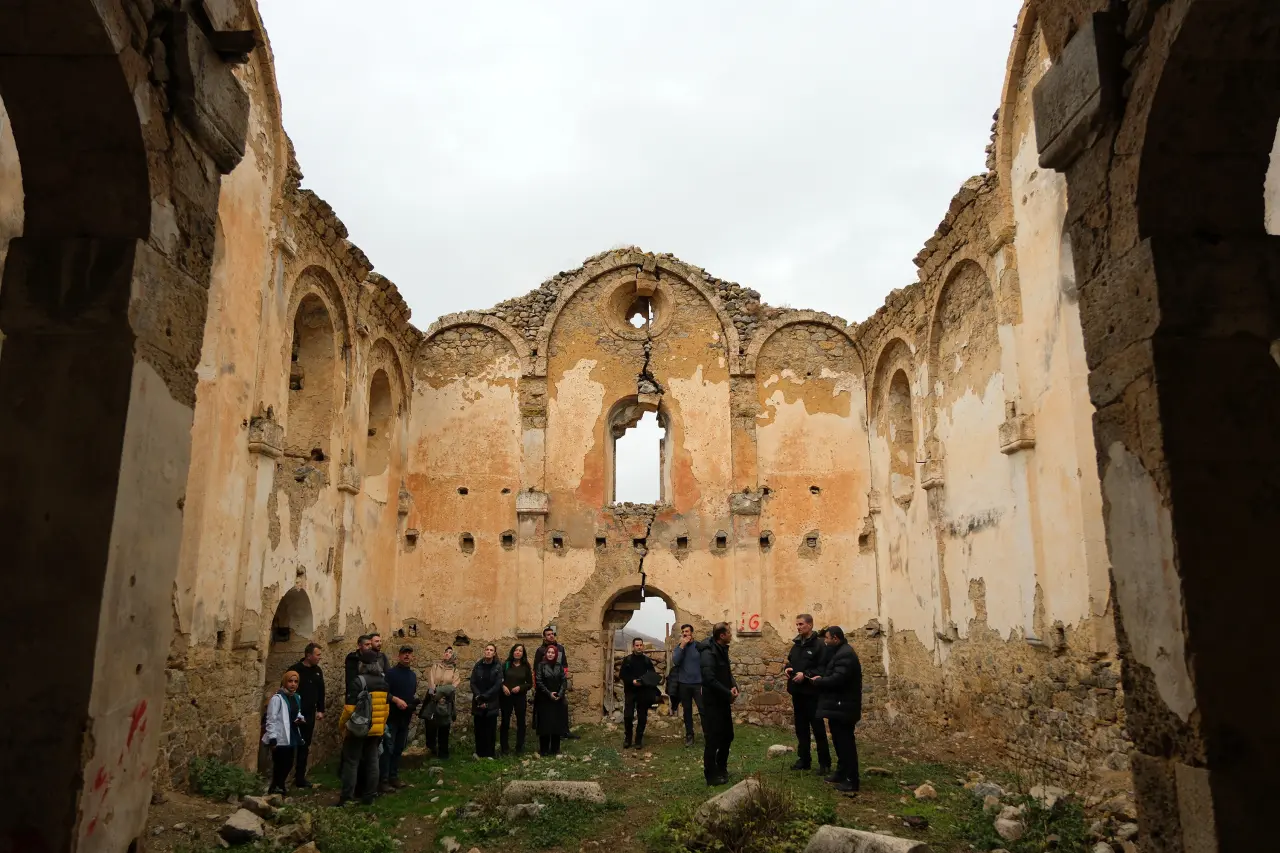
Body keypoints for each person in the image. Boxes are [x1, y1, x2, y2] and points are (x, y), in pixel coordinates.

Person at [809, 626, 863, 793]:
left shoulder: (845, 654)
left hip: (844, 707)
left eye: (827, 638)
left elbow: (838, 679)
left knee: (846, 743)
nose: (825, 641)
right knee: (839, 742)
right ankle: (841, 772)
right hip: (839, 707)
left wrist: (820, 681)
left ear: (836, 638)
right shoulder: (839, 652)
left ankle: (851, 779)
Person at [338, 645, 389, 806]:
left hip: (359, 728)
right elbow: (386, 710)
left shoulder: (358, 682)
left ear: (362, 665)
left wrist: (342, 726)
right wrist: (380, 727)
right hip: (376, 729)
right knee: (373, 762)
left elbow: (349, 709)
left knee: (351, 762)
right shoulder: (383, 683)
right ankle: (369, 796)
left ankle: (347, 798)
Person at [783, 613, 831, 774]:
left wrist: (806, 674)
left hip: (812, 693)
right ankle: (804, 760)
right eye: (797, 624)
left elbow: (823, 668)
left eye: (801, 624)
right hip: (797, 693)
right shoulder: (796, 645)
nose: (798, 627)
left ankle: (825, 763)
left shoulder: (819, 646)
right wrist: (787, 669)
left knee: (817, 728)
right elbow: (790, 661)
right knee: (801, 728)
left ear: (810, 625)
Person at [698, 622, 738, 786]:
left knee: (728, 735)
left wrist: (734, 686)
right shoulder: (708, 653)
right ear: (722, 635)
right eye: (729, 632)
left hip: (723, 701)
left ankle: (721, 767)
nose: (731, 635)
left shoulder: (722, 649)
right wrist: (727, 692)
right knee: (713, 739)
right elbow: (709, 679)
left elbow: (726, 673)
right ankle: (711, 775)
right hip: (712, 702)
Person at [379, 644, 419, 792]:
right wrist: (396, 700)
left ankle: (393, 777)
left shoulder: (413, 675)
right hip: (391, 717)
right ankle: (383, 780)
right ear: (399, 656)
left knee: (398, 749)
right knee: (387, 749)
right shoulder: (390, 674)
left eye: (409, 653)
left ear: (412, 656)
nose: (407, 656)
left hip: (405, 718)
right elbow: (384, 693)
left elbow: (411, 694)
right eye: (404, 653)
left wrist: (412, 704)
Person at [263, 670, 307, 796]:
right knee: (280, 763)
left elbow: (296, 712)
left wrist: (300, 718)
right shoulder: (277, 698)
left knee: (289, 762)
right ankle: (276, 786)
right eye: (290, 681)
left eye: (295, 681)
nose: (293, 684)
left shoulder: (296, 697)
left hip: (292, 734)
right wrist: (272, 737)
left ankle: (280, 784)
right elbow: (271, 718)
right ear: (285, 682)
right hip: (280, 735)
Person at [289, 642, 325, 789]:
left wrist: (320, 709)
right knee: (290, 744)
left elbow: (321, 691)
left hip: (309, 714)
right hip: (294, 714)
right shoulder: (295, 670)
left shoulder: (318, 671)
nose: (319, 658)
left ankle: (300, 778)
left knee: (305, 745)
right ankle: (285, 777)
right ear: (308, 655)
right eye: (317, 655)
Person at [538, 626, 576, 738]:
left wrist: (562, 681)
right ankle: (547, 731)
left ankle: (564, 731)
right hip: (546, 685)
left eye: (552, 633)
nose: (551, 635)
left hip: (559, 683)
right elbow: (537, 668)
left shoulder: (560, 648)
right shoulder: (540, 650)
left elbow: (564, 664)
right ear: (544, 637)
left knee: (563, 707)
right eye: (548, 634)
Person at [669, 623, 704, 747]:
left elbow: (705, 663)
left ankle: (708, 734)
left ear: (691, 633)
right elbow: (676, 661)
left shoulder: (698, 646)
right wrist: (682, 645)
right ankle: (690, 736)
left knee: (703, 709)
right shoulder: (680, 647)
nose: (685, 634)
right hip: (684, 684)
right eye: (683, 632)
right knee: (687, 711)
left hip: (698, 684)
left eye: (687, 631)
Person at [619, 637, 657, 749]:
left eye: (641, 645)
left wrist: (643, 681)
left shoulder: (647, 661)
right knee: (628, 716)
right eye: (637, 645)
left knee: (642, 716)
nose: (639, 647)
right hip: (630, 691)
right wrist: (632, 681)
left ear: (643, 646)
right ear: (633, 646)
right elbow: (622, 675)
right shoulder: (628, 660)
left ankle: (638, 740)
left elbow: (652, 675)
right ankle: (628, 739)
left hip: (643, 692)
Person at [427, 646, 461, 758]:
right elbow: (431, 681)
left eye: (450, 652)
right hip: (433, 700)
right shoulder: (435, 666)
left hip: (446, 701)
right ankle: (430, 751)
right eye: (446, 651)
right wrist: (434, 695)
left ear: (453, 656)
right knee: (431, 726)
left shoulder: (455, 671)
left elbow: (453, 686)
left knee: (444, 727)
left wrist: (441, 694)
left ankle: (443, 753)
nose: (447, 653)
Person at [470, 644, 503, 758]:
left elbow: (498, 684)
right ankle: (479, 752)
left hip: (491, 701)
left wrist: (485, 696)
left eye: (491, 650)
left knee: (490, 728)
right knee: (479, 728)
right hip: (478, 701)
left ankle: (490, 753)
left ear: (494, 653)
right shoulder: (478, 666)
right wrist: (479, 696)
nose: (488, 652)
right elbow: (473, 682)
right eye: (487, 649)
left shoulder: (498, 667)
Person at [534, 644, 569, 756]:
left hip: (557, 699)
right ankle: (544, 749)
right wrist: (549, 693)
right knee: (545, 724)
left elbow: (564, 681)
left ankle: (555, 748)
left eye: (552, 653)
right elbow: (539, 681)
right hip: (544, 698)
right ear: (546, 654)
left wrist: (559, 693)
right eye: (548, 652)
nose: (550, 654)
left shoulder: (559, 666)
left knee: (556, 724)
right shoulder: (541, 665)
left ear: (556, 654)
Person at [501, 643, 533, 755]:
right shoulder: (506, 664)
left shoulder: (526, 666)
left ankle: (519, 747)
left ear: (523, 654)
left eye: (520, 651)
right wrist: (503, 686)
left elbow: (530, 684)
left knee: (521, 722)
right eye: (516, 650)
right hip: (506, 697)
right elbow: (500, 679)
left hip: (520, 697)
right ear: (512, 651)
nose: (518, 652)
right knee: (505, 722)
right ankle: (504, 748)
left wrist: (520, 687)